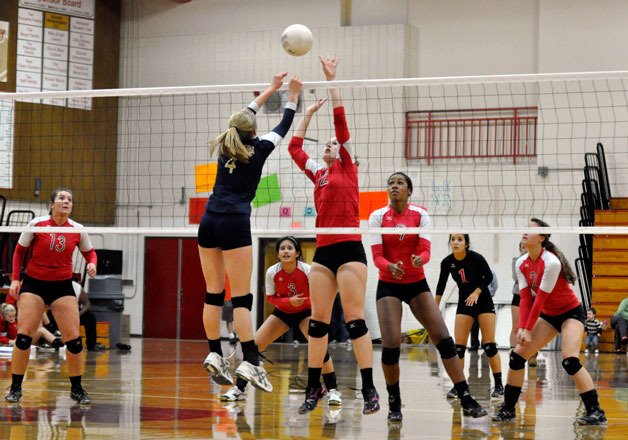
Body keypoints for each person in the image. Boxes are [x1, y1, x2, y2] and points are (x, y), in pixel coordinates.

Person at [198, 71, 302, 393]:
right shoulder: (259, 149)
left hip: (208, 221)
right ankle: (251, 361)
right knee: (241, 297)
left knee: (213, 294)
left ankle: (215, 353)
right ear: (254, 130)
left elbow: (244, 116)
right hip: (234, 223)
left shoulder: (226, 146)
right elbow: (284, 125)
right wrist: (292, 95)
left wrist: (270, 88)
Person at [288, 55, 379, 415]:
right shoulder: (320, 175)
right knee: (318, 324)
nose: (327, 145)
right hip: (324, 253)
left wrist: (331, 80)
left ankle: (369, 391)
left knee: (355, 321)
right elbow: (295, 148)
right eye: (323, 144)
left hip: (350, 249)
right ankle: (315, 389)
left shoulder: (348, 168)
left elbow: (340, 124)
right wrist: (306, 114)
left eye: (331, 144)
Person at [368, 172, 487, 421]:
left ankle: (465, 396)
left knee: (443, 339)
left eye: (400, 183)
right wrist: (389, 266)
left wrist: (417, 260)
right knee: (390, 347)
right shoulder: (377, 216)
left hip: (415, 282)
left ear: (409, 190)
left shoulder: (420, 214)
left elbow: (426, 251)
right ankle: (394, 401)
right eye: (391, 183)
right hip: (389, 283)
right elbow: (377, 255)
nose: (394, 186)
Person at [493, 218, 606, 425]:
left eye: (530, 230)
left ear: (542, 238)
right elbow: (526, 297)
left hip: (571, 313)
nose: (525, 232)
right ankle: (508, 409)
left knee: (570, 360)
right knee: (517, 358)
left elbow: (541, 298)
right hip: (549, 315)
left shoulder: (551, 262)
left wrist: (528, 329)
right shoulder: (521, 262)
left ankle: (596, 411)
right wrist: (522, 328)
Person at [221, 236, 341, 406]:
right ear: (277, 254)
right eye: (282, 248)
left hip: (306, 312)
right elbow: (271, 297)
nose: (286, 251)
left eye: (290, 248)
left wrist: (303, 302)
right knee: (253, 348)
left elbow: (317, 296)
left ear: (297, 253)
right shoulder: (272, 272)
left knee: (320, 349)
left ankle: (333, 391)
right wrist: (288, 302)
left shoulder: (307, 270)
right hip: (283, 312)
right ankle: (239, 389)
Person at [5, 188, 97, 404]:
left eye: (70, 199)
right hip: (35, 283)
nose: (66, 202)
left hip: (61, 286)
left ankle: (77, 389)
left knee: (74, 341)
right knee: (24, 337)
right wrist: (15, 279)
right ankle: (16, 387)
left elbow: (90, 252)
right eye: (62, 198)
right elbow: (19, 251)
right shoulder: (37, 224)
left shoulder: (77, 229)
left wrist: (92, 263)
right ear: (51, 204)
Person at [435, 234, 503, 400]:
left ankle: (499, 386)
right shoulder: (446, 262)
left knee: (489, 346)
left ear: (466, 243)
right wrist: (434, 308)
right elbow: (441, 285)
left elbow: (488, 276)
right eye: (453, 239)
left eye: (460, 239)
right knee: (458, 348)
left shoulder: (476, 258)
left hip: (483, 301)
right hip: (465, 302)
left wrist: (477, 292)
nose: (456, 242)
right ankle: (459, 387)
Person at [47, 281, 106, 351]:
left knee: (90, 318)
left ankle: (91, 344)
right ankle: (52, 342)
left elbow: (87, 304)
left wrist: (78, 314)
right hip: (58, 313)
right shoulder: (54, 285)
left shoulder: (77, 287)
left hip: (74, 312)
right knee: (48, 315)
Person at [470, 268, 498, 351]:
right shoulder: (472, 271)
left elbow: (495, 285)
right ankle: (474, 344)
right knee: (474, 323)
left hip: (486, 299)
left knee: (486, 322)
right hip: (475, 298)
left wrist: (490, 293)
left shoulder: (491, 272)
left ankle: (485, 343)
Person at [222, 278, 238, 346]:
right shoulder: (235, 275)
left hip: (227, 299)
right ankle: (233, 334)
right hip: (236, 298)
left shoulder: (222, 275)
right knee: (237, 318)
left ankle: (231, 335)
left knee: (229, 320)